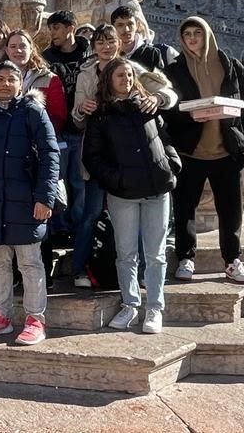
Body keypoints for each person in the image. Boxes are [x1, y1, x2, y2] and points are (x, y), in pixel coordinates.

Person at [71, 25, 177, 288]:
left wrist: (157, 99)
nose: (106, 46)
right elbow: (75, 118)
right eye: (100, 42)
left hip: (133, 163)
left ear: (118, 44)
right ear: (93, 46)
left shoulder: (133, 70)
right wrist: (82, 110)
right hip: (101, 160)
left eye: (111, 41)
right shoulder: (85, 73)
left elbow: (169, 93)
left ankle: (141, 274)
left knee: (139, 225)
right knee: (91, 213)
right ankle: (79, 269)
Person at [83, 58, 181, 334]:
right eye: (119, 74)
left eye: (128, 74)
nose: (125, 78)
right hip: (123, 193)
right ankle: (130, 304)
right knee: (126, 254)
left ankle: (154, 309)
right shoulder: (100, 115)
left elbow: (165, 137)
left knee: (156, 254)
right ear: (108, 80)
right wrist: (117, 180)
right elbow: (93, 157)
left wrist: (171, 167)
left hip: (156, 189)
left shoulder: (148, 105)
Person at [0, 60, 59, 346]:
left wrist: (45, 197)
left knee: (30, 263)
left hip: (26, 201)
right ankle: (1, 317)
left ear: (21, 83)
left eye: (11, 79)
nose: (5, 84)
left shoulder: (33, 113)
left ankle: (34, 319)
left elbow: (50, 155)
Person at [164, 16, 244, 285]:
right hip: (190, 152)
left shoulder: (231, 65)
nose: (192, 38)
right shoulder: (175, 71)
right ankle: (186, 258)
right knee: (185, 210)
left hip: (227, 152)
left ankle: (232, 261)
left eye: (197, 33)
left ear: (207, 35)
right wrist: (192, 116)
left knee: (231, 211)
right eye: (187, 34)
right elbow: (168, 112)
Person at [5, 28, 67, 286]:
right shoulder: (2, 77)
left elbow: (60, 115)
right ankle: (18, 274)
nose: (18, 50)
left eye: (23, 45)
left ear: (32, 49)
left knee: (41, 212)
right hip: (11, 156)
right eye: (13, 46)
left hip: (37, 153)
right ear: (7, 50)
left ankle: (44, 270)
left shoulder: (48, 79)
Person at [41, 11, 91, 243]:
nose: (53, 33)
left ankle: (79, 226)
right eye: (51, 29)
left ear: (71, 28)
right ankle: (59, 228)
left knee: (79, 182)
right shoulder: (46, 57)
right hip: (57, 129)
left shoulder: (87, 53)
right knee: (57, 179)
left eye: (57, 28)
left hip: (83, 129)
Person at [110, 5, 164, 72]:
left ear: (137, 26)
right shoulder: (109, 54)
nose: (126, 29)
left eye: (130, 24)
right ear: (113, 28)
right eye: (120, 25)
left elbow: (160, 81)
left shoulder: (152, 54)